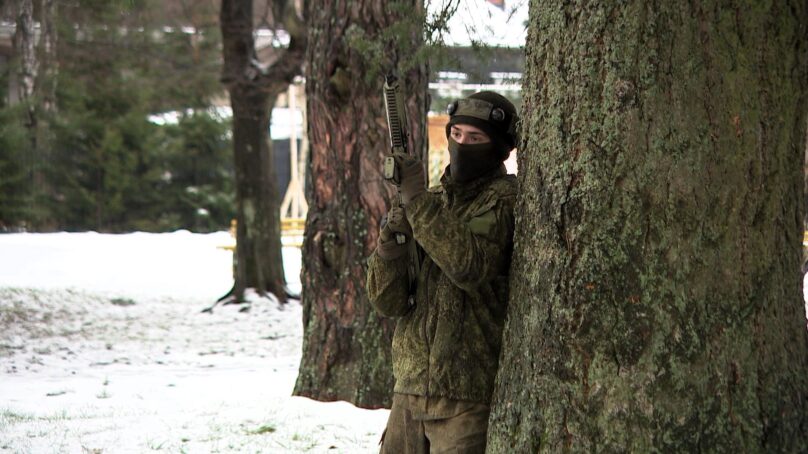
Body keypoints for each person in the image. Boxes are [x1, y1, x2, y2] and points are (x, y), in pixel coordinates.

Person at [366, 91, 519, 453]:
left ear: (499, 148)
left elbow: (469, 266)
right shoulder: (430, 203)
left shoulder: (505, 200)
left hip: (466, 397)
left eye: (476, 137)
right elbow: (388, 302)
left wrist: (417, 203)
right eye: (457, 134)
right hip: (410, 389)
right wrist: (392, 242)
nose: (463, 144)